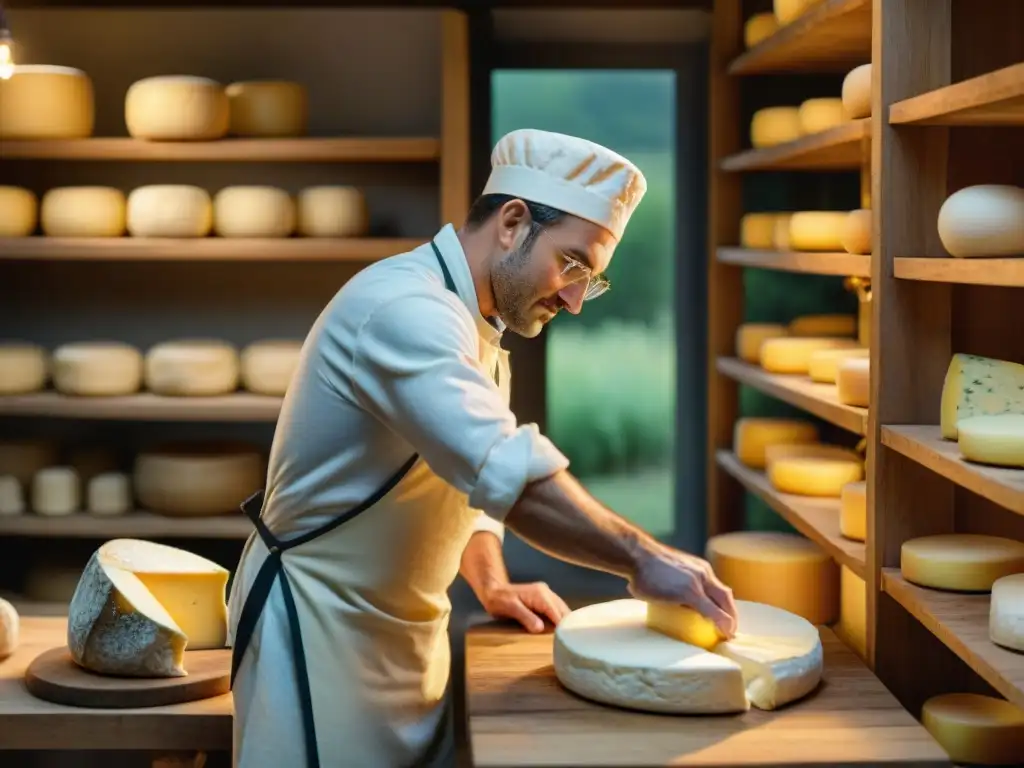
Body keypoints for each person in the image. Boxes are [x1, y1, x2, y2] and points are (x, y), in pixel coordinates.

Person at [227, 128, 738, 768]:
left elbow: (460, 484)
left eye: (591, 281)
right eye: (574, 265)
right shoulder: (404, 310)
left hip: (407, 641)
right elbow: (510, 475)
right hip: (316, 635)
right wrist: (644, 559)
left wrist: (491, 582)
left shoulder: (481, 329)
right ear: (512, 222)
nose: (576, 300)